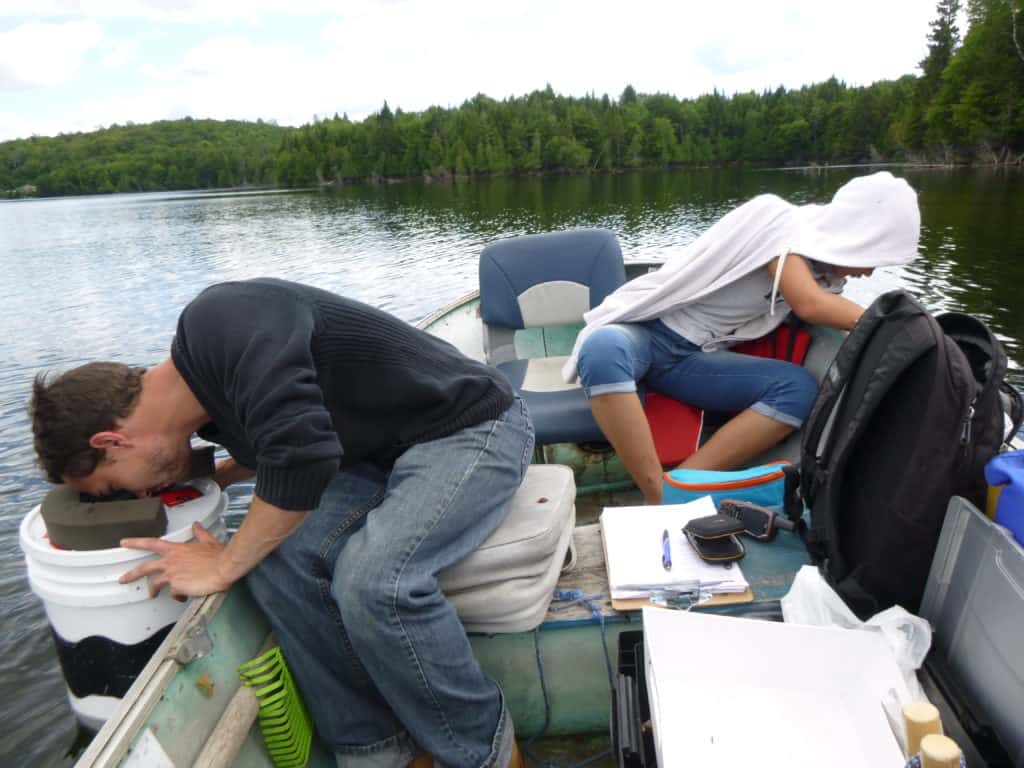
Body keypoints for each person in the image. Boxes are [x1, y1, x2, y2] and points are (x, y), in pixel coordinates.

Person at [29, 278, 534, 768]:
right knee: (274, 562)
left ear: (110, 444)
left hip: (470, 425)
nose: (137, 495)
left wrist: (223, 564)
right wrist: (219, 477)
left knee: (375, 582)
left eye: (117, 488)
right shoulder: (204, 400)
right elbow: (283, 438)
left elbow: (302, 458)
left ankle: (485, 754)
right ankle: (383, 753)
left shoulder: (222, 321)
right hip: (375, 456)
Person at [562, 171, 921, 504]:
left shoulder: (824, 274)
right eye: (874, 256)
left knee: (797, 389)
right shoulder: (779, 221)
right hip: (645, 332)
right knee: (603, 349)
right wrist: (893, 324)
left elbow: (819, 302)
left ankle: (682, 484)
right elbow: (809, 305)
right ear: (860, 236)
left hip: (692, 358)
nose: (870, 270)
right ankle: (656, 493)